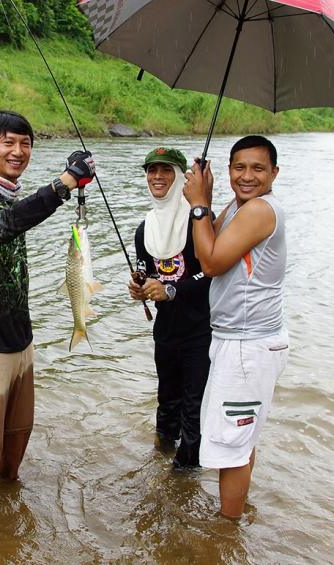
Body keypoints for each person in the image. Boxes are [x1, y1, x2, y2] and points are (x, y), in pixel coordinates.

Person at [0, 110, 95, 506]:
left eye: (25, 143)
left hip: (20, 343)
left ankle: (4, 527)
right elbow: (4, 224)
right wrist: (65, 183)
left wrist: (67, 188)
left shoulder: (8, 193)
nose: (18, 151)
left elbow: (18, 215)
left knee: (14, 443)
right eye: (8, 143)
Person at [182, 135, 288, 519]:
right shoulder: (240, 206)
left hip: (248, 345)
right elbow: (203, 246)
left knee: (231, 444)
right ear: (227, 170)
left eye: (258, 168)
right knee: (239, 438)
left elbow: (210, 264)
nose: (247, 176)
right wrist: (205, 201)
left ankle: (226, 534)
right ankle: (237, 513)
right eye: (239, 167)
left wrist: (197, 205)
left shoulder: (260, 211)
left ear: (274, 172)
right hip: (239, 340)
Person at [126, 147, 212, 469]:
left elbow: (211, 274)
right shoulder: (143, 229)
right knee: (166, 404)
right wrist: (140, 286)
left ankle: (185, 474)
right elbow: (146, 272)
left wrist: (170, 289)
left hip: (201, 333)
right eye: (152, 171)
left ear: (179, 177)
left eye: (166, 171)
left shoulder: (200, 220)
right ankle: (160, 458)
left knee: (193, 408)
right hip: (165, 333)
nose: (157, 177)